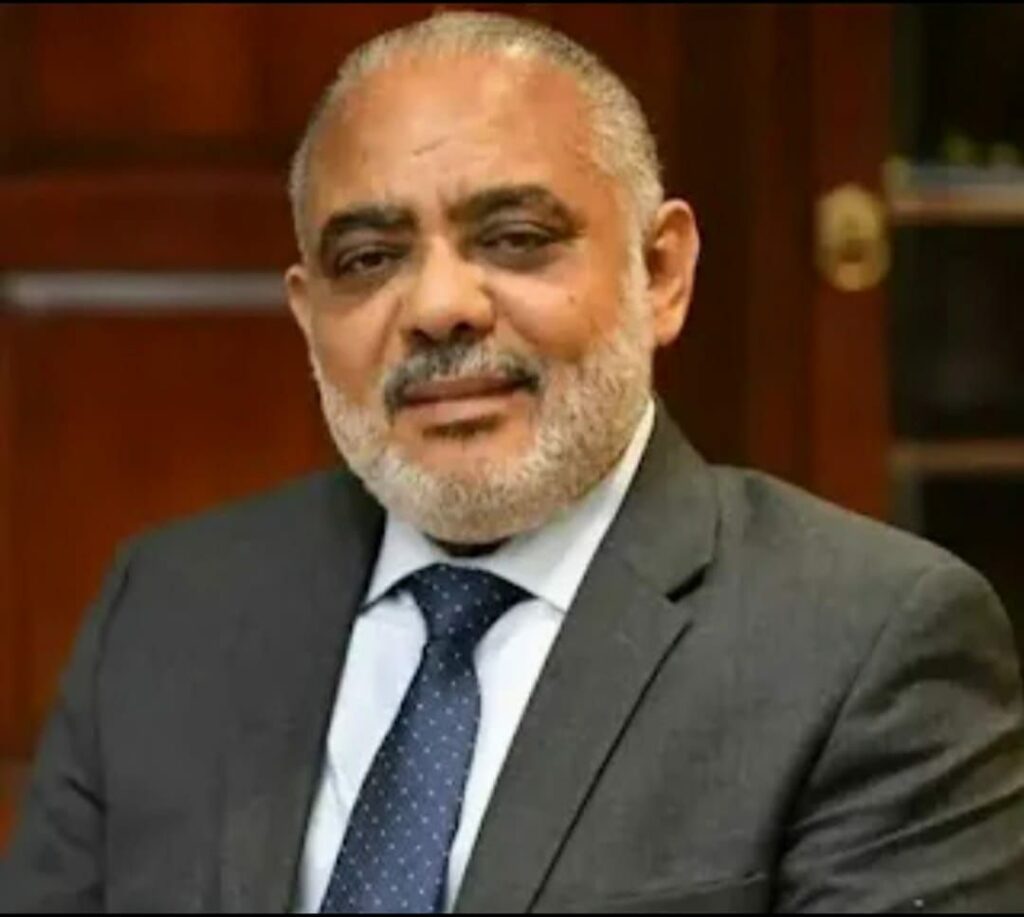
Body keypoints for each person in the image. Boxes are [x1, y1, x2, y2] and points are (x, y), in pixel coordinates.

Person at [2, 10, 1023, 913]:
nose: (439, 306)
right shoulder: (171, 605)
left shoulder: (868, 643)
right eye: (368, 258)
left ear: (661, 273)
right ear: (310, 318)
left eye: (516, 237)